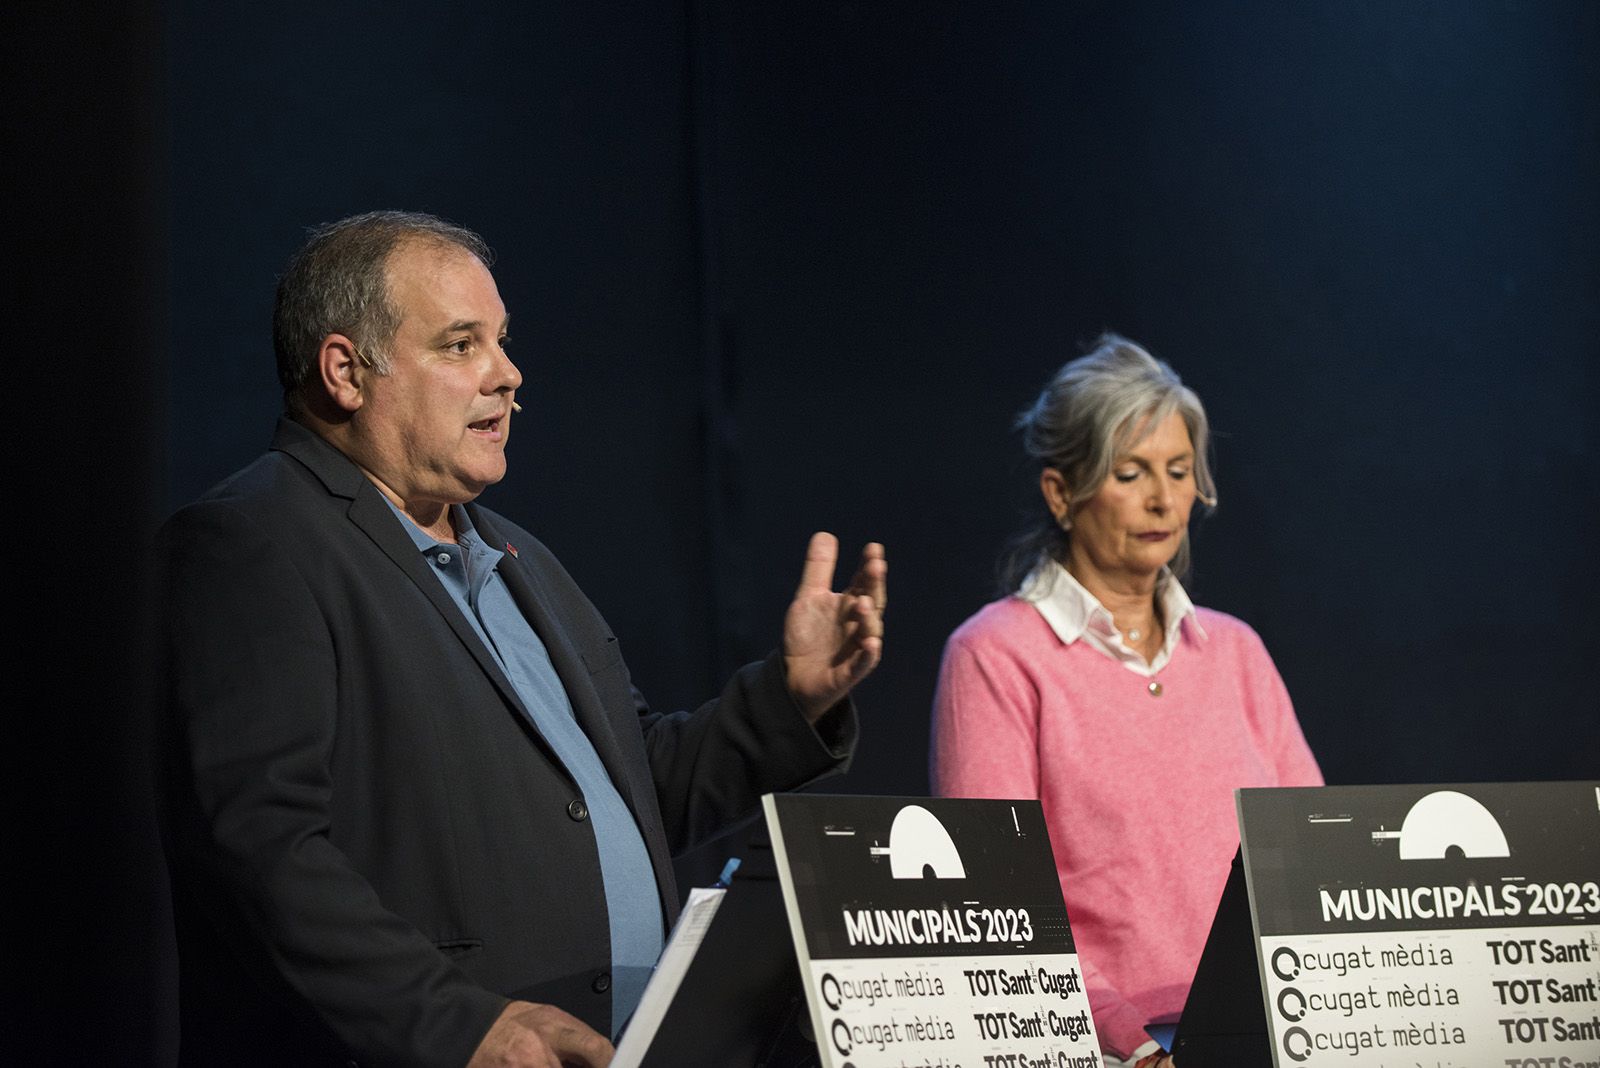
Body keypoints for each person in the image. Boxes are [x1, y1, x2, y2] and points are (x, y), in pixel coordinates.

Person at [155, 210, 886, 1068]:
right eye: (461, 345)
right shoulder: (257, 543)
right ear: (346, 372)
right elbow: (259, 852)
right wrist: (459, 1025)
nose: (508, 375)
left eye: (501, 342)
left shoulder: (516, 555)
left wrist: (790, 701)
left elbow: (634, 787)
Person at [929, 334, 1319, 1068]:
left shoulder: (1234, 651)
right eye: (1131, 472)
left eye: (1177, 471)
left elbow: (1312, 854)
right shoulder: (996, 654)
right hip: (1106, 1048)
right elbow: (1001, 901)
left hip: (1269, 1032)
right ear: (1061, 493)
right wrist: (1128, 1042)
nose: (1163, 499)